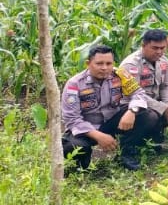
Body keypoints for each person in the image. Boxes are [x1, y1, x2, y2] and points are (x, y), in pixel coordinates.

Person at [60, 42, 161, 171]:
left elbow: (138, 93)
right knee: (72, 146)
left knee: (148, 116)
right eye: (99, 63)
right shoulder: (75, 84)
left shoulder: (119, 75)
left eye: (108, 63)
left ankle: (126, 154)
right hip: (87, 129)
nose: (104, 68)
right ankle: (83, 164)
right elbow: (72, 119)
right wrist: (99, 136)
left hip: (113, 122)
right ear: (88, 63)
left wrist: (132, 111)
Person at [119, 29, 168, 142]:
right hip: (133, 105)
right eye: (155, 48)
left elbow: (166, 85)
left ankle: (153, 135)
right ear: (143, 45)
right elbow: (134, 94)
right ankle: (130, 145)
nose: (159, 52)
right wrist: (162, 108)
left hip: (155, 99)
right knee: (152, 115)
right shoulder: (131, 65)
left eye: (162, 48)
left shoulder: (163, 61)